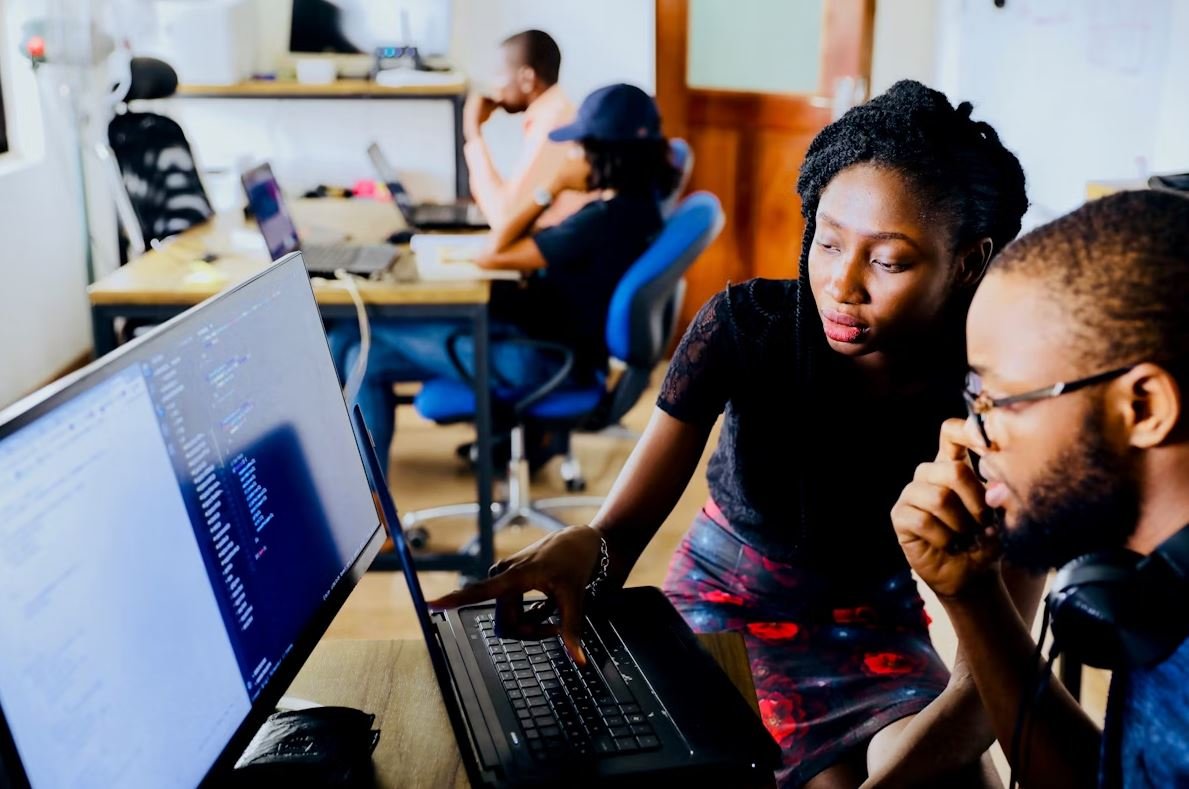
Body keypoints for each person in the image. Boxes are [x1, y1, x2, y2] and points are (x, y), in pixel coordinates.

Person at [430, 80, 1035, 788]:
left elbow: (991, 682)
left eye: (887, 260)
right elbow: (618, 534)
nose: (841, 284)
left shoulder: (1002, 401)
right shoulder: (745, 329)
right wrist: (582, 550)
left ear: (967, 260)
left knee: (956, 779)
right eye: (828, 241)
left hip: (872, 632)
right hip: (722, 610)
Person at [891, 190, 1189, 788]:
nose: (968, 434)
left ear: (1143, 406)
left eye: (999, 399)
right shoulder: (1153, 586)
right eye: (972, 397)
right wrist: (972, 595)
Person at [335, 83, 678, 478]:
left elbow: (493, 253)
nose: (571, 155)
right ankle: (368, 500)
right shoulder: (640, 209)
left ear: (604, 154)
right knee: (348, 342)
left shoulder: (601, 223)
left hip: (539, 360)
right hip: (553, 348)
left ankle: (372, 507)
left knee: (359, 347)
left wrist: (549, 188)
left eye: (578, 147)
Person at [463, 29, 589, 230]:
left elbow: (505, 219)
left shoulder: (553, 125)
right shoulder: (555, 113)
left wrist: (473, 133)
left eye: (498, 75)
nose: (494, 88)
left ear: (527, 79)